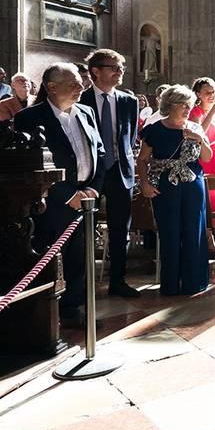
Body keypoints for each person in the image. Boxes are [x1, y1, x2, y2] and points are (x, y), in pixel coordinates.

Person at [15, 63, 105, 328]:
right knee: (52, 255)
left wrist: (93, 189)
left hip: (87, 197)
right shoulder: (30, 118)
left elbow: (99, 152)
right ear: (52, 87)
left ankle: (73, 308)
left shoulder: (86, 112)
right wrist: (67, 195)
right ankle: (46, 313)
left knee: (82, 255)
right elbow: (31, 164)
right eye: (74, 83)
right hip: (52, 203)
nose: (82, 87)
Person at [137, 85, 212, 296]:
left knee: (193, 231)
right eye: (183, 104)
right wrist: (144, 184)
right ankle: (170, 284)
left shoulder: (196, 128)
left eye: (190, 104)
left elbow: (206, 158)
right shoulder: (154, 129)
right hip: (165, 186)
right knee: (169, 232)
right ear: (169, 105)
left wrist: (199, 139)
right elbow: (142, 160)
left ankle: (194, 282)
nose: (188, 109)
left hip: (192, 185)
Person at [80, 49, 141, 298]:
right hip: (90, 173)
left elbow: (130, 137)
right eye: (114, 67)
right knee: (83, 229)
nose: (120, 72)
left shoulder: (129, 101)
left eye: (122, 68)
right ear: (95, 71)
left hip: (119, 170)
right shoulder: (80, 99)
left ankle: (118, 280)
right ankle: (82, 283)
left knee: (120, 229)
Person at [189, 78, 215, 218]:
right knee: (209, 194)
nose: (212, 95)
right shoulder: (196, 112)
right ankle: (208, 228)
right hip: (205, 159)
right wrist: (212, 112)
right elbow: (198, 133)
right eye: (207, 92)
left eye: (213, 91)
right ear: (198, 94)